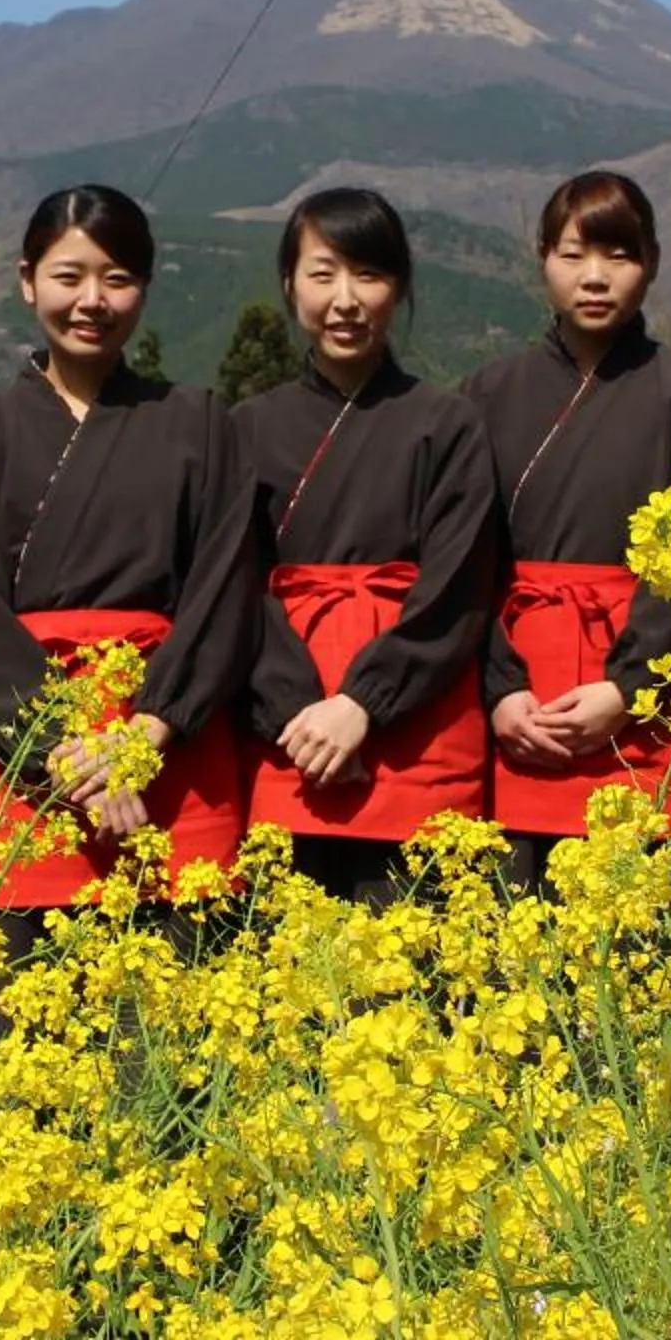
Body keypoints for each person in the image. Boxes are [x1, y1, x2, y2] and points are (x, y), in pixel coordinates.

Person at [0, 186, 260, 925]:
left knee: (173, 1024)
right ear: (27, 281)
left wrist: (147, 733)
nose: (92, 300)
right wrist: (61, 748)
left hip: (170, 749)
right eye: (68, 276)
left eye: (117, 279)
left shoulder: (199, 421)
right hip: (27, 755)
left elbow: (226, 586)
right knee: (23, 1016)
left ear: (145, 287)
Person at [463, 171, 671, 881]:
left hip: (644, 690)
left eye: (619, 256)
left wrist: (627, 688)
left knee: (648, 936)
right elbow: (463, 558)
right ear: (541, 259)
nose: (595, 278)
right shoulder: (488, 393)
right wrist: (501, 690)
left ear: (650, 263)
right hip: (521, 696)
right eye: (573, 255)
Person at [237, 187, 497, 904]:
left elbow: (458, 588)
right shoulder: (245, 428)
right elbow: (231, 585)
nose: (345, 300)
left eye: (369, 276)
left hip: (415, 725)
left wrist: (363, 704)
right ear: (289, 284)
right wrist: (297, 715)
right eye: (323, 275)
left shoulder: (448, 423)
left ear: (400, 287)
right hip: (285, 730)